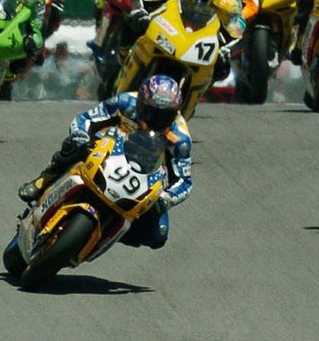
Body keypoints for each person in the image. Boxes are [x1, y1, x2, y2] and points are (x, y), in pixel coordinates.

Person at [16, 75, 193, 250]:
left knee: (158, 234)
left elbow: (184, 181)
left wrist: (166, 199)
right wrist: (80, 135)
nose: (156, 120)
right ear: (141, 102)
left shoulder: (179, 138)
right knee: (74, 146)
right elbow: (85, 119)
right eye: (151, 112)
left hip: (145, 175)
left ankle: (107, 232)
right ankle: (42, 181)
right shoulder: (125, 102)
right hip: (109, 151)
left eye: (165, 116)